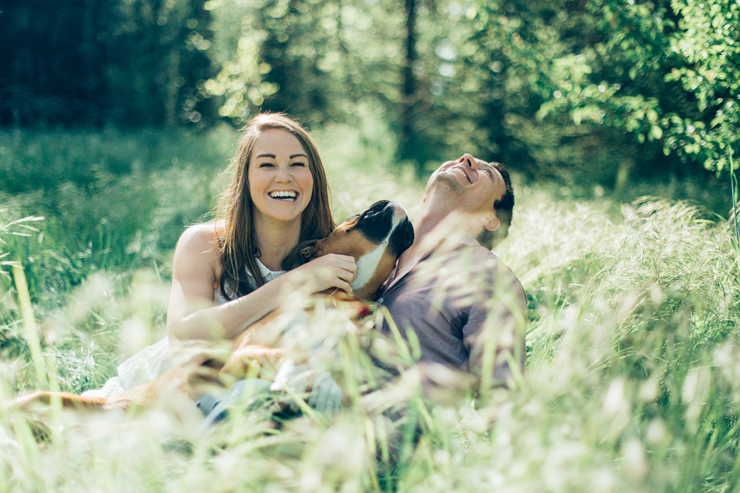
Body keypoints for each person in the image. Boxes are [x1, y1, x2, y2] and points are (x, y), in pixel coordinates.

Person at [83, 113, 357, 398]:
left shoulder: (330, 253)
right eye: (267, 164)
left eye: (297, 164)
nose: (284, 176)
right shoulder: (203, 244)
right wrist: (295, 283)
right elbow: (185, 339)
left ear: (315, 177)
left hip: (269, 400)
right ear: (246, 178)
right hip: (164, 394)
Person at [376, 153, 527, 388]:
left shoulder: (491, 279)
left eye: (486, 173)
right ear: (426, 197)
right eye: (458, 159)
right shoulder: (374, 245)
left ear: (491, 219)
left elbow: (501, 398)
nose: (465, 158)